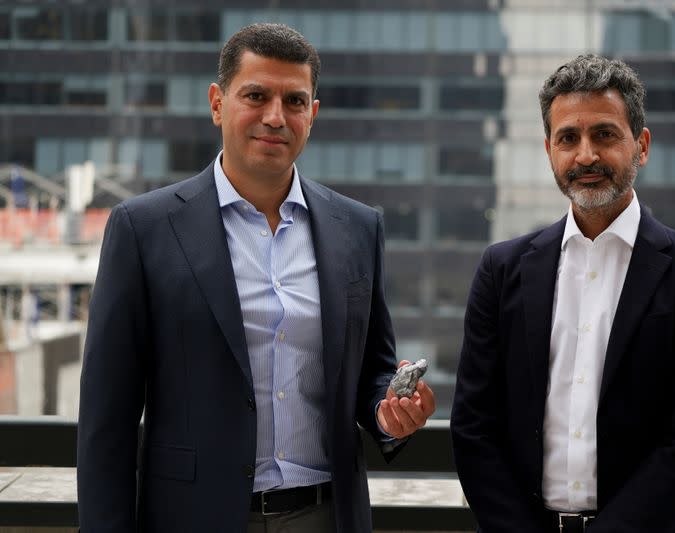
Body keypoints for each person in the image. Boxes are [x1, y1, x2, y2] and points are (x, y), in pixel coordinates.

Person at [77, 23, 435, 533]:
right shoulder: (143, 229)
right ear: (217, 103)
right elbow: (105, 420)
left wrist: (390, 410)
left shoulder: (357, 227)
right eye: (256, 95)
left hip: (326, 515)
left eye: (294, 100)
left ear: (312, 114)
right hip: (194, 519)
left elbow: (371, 371)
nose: (275, 116)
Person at [450, 54, 675, 533]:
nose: (585, 155)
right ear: (549, 151)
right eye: (568, 138)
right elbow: (474, 429)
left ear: (641, 146)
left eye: (604, 134)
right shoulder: (501, 270)